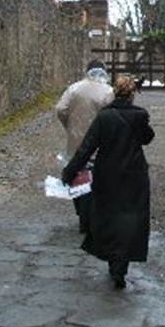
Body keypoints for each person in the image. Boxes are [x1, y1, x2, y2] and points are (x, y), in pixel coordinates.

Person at [62, 76, 154, 289]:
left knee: (110, 217)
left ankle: (114, 260)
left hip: (108, 174)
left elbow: (87, 148)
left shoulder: (104, 117)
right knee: (130, 219)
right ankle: (122, 265)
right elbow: (147, 138)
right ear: (132, 95)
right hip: (134, 174)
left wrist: (70, 172)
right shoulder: (140, 116)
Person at [56, 61, 114, 231]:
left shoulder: (74, 88)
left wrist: (69, 125)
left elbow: (61, 109)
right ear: (103, 72)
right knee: (98, 177)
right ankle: (95, 216)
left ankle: (82, 214)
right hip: (100, 142)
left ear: (87, 71)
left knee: (76, 174)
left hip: (76, 140)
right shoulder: (108, 91)